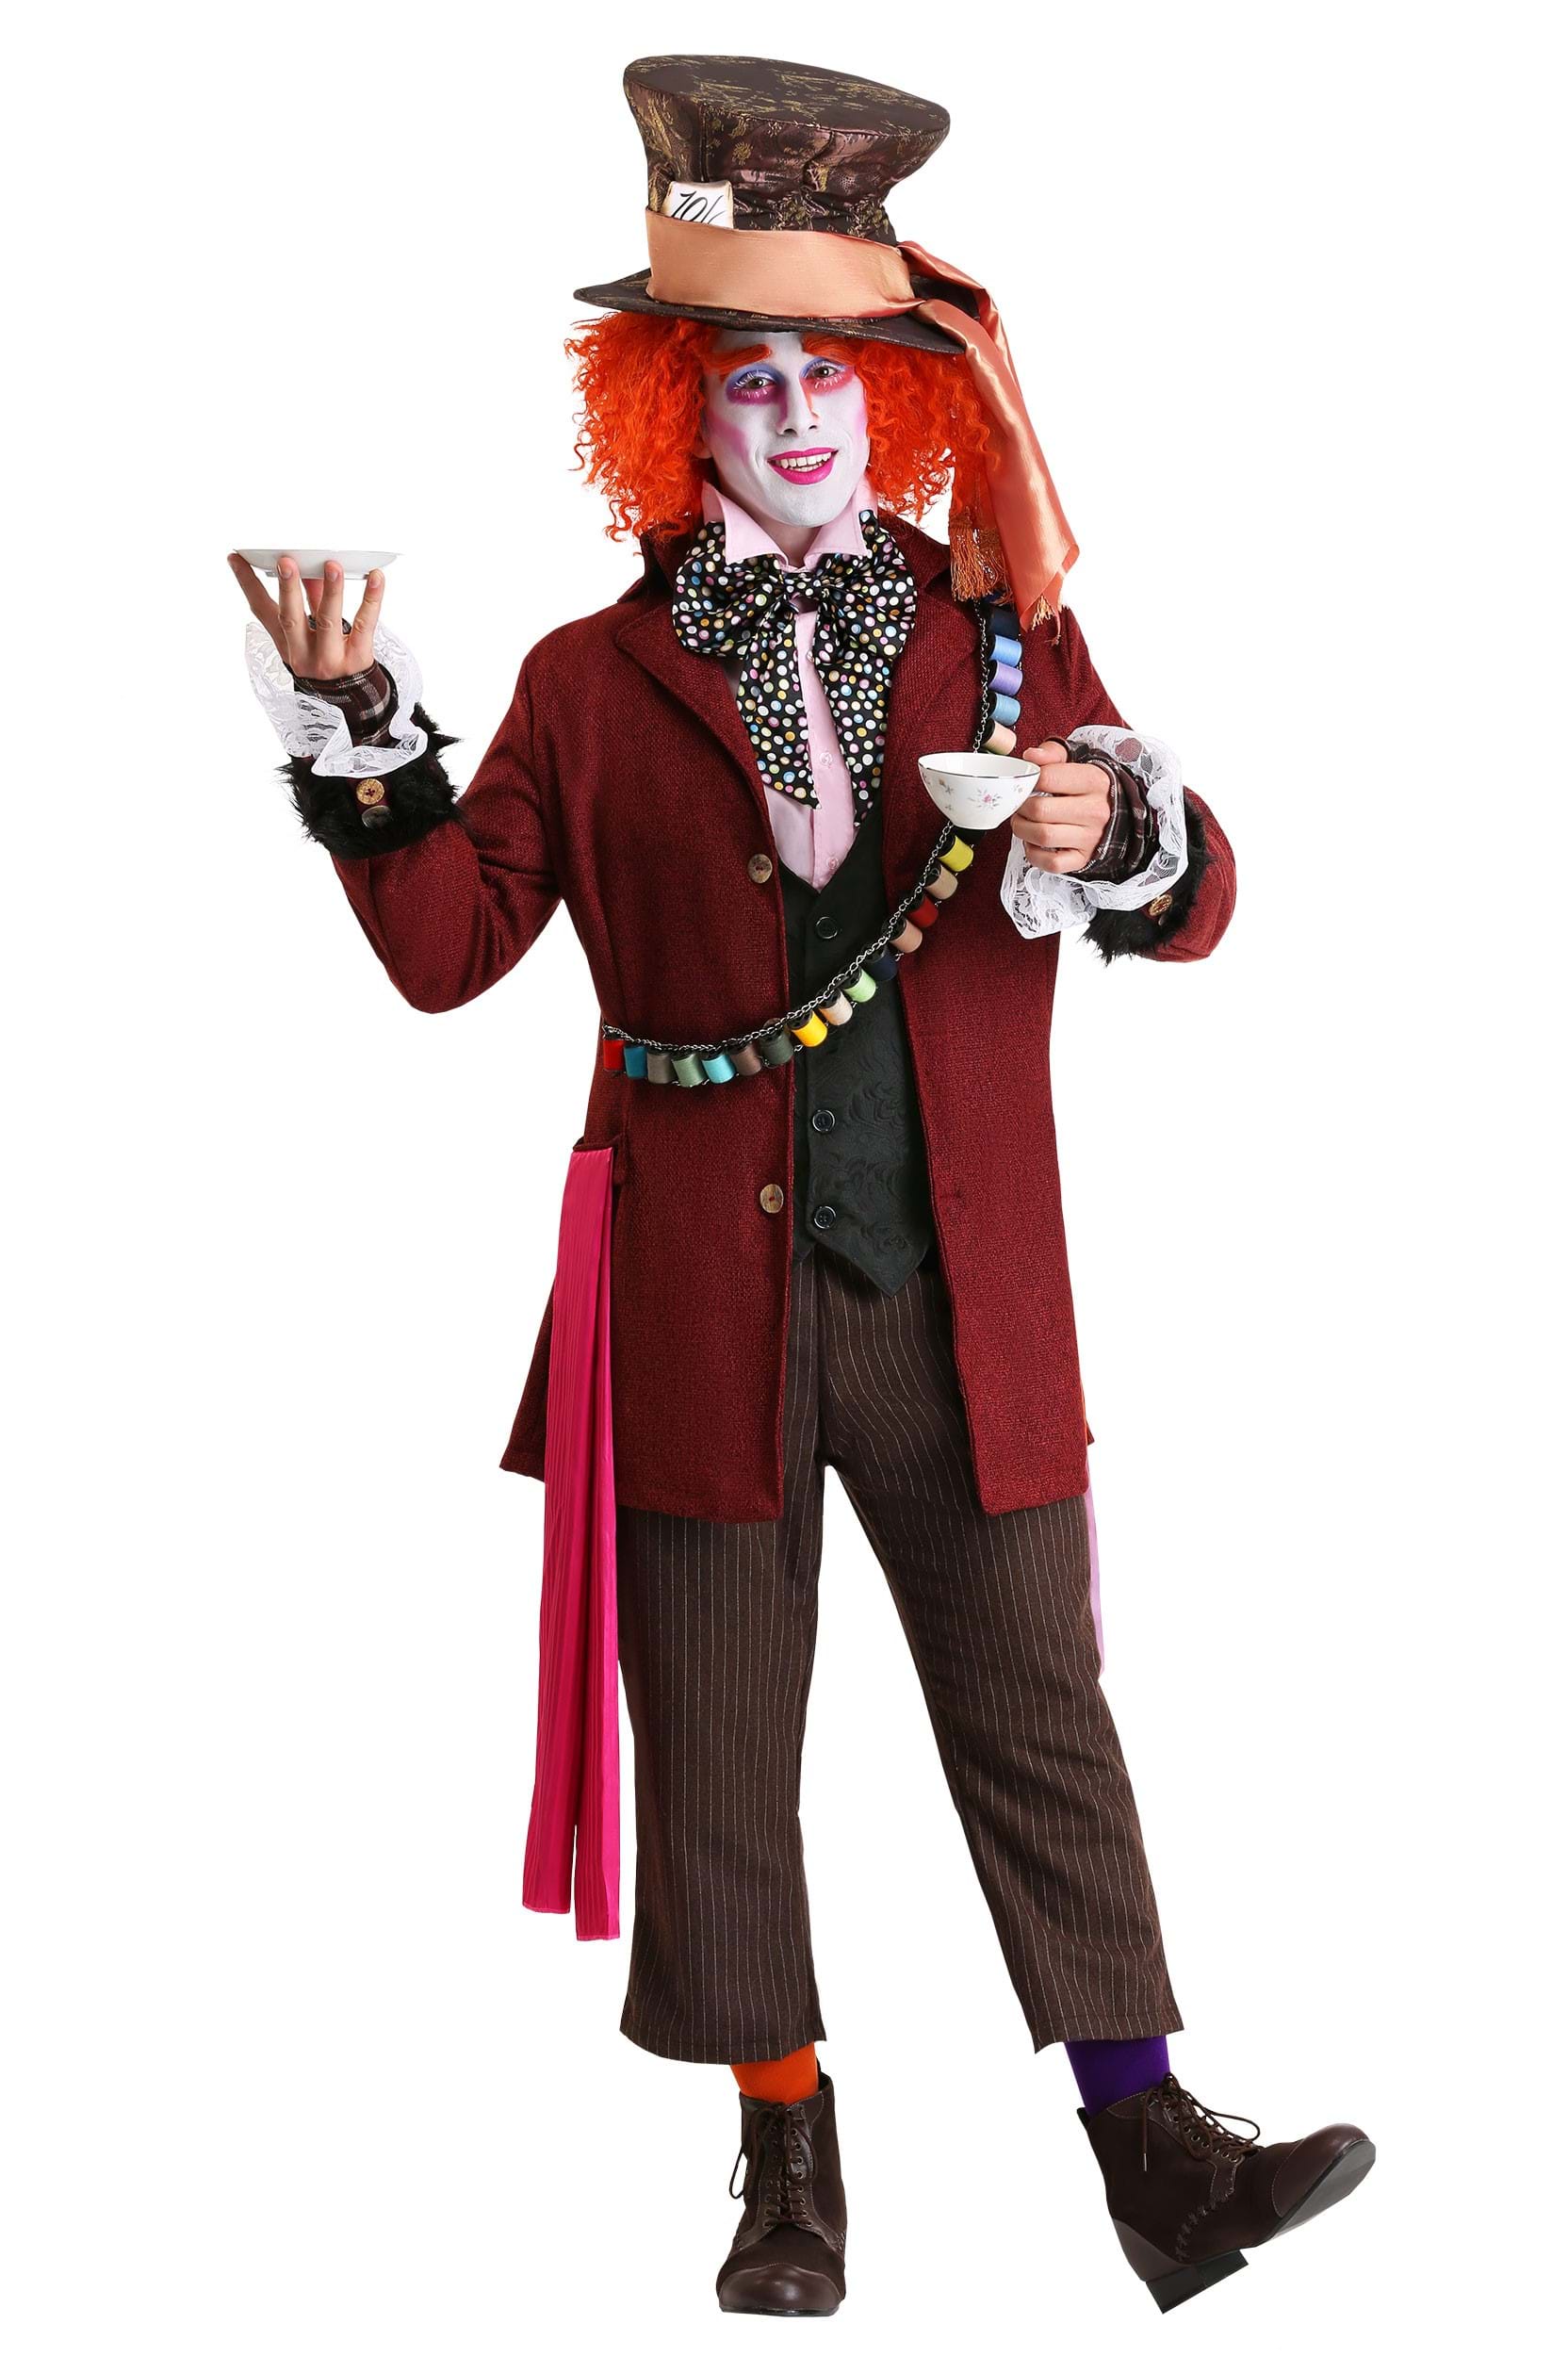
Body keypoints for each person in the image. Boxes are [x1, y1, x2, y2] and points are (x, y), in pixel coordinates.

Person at [229, 52, 1373, 2320]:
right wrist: (361, 748)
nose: (795, 414)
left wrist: (1113, 833)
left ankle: (1150, 2146)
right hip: (690, 1300)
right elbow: (449, 949)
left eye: (829, 372)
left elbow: (1203, 898)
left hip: (963, 1293)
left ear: (892, 398)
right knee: (721, 1739)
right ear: (673, 410)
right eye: (744, 376)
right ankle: (784, 2157)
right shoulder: (584, 678)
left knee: (1037, 1706)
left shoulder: (1001, 639)